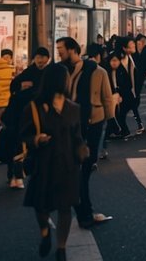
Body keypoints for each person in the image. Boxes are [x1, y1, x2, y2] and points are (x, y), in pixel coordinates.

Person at [22, 63, 86, 261]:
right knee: (41, 206)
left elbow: (78, 136)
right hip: (44, 163)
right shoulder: (34, 107)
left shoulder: (73, 108)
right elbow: (24, 134)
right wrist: (36, 139)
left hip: (68, 165)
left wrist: (83, 151)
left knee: (65, 208)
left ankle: (61, 247)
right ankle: (45, 232)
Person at [57, 37, 115, 229]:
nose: (59, 53)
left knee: (85, 166)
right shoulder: (61, 70)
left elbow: (107, 97)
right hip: (70, 123)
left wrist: (109, 121)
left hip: (93, 121)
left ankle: (84, 210)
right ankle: (84, 211)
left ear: (73, 49)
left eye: (61, 49)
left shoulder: (97, 71)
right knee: (79, 169)